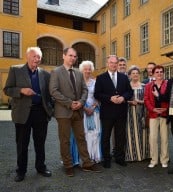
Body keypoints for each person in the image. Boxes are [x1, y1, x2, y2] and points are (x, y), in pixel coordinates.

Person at [49, 47, 102, 177]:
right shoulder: (56, 72)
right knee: (65, 140)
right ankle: (68, 165)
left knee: (81, 138)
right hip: (63, 112)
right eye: (70, 55)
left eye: (75, 56)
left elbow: (85, 90)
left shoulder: (79, 73)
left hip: (78, 111)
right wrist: (69, 103)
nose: (73, 58)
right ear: (64, 56)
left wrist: (81, 102)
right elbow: (54, 91)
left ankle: (87, 163)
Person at [3, 47, 53, 182]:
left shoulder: (45, 74)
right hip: (22, 113)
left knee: (40, 143)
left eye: (39, 57)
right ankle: (21, 171)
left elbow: (49, 95)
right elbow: (7, 90)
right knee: (22, 144)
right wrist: (21, 90)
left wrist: (50, 109)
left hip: (40, 113)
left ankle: (41, 167)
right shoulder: (16, 70)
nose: (37, 59)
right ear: (27, 57)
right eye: (34, 56)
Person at [94, 55, 133, 168]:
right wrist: (110, 98)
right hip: (107, 112)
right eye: (111, 62)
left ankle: (119, 158)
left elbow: (129, 92)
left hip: (121, 112)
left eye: (115, 63)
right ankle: (106, 159)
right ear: (107, 63)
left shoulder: (124, 77)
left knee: (120, 136)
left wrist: (123, 98)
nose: (114, 65)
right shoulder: (101, 78)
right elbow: (97, 94)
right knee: (105, 137)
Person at [144, 65, 169, 168]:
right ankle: (154, 160)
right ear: (153, 74)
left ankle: (164, 159)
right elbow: (146, 99)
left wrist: (166, 109)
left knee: (164, 138)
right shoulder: (148, 86)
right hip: (153, 115)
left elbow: (169, 98)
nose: (159, 74)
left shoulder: (167, 84)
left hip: (164, 114)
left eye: (161, 72)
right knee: (153, 138)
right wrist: (152, 109)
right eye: (157, 72)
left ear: (163, 73)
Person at [125, 66, 150, 161]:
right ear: (130, 75)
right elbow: (123, 99)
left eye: (137, 73)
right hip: (129, 113)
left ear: (139, 75)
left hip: (142, 112)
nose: (135, 75)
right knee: (130, 133)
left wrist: (140, 101)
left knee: (143, 133)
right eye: (133, 73)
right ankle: (132, 155)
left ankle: (144, 155)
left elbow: (147, 100)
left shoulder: (144, 86)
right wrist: (130, 102)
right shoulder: (126, 86)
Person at [79, 60, 102, 163]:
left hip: (94, 111)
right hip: (82, 111)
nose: (87, 71)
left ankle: (94, 156)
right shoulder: (78, 83)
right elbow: (76, 97)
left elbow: (99, 96)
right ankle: (85, 157)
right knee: (84, 134)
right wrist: (85, 108)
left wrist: (92, 107)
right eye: (85, 69)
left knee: (95, 133)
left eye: (89, 69)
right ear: (82, 70)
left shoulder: (96, 83)